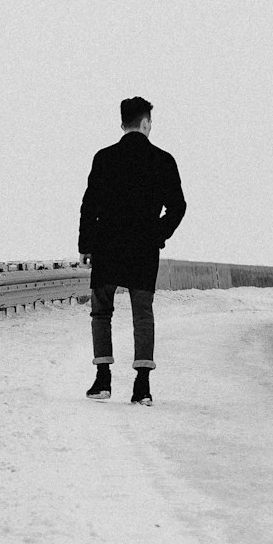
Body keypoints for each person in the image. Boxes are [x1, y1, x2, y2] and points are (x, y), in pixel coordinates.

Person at [78, 97, 186, 405]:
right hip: (143, 250)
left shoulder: (104, 158)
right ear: (145, 123)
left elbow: (89, 205)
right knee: (142, 314)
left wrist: (86, 245)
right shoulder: (163, 160)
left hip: (107, 246)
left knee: (101, 312)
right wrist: (158, 234)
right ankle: (142, 386)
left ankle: (102, 380)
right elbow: (178, 207)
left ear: (123, 123)